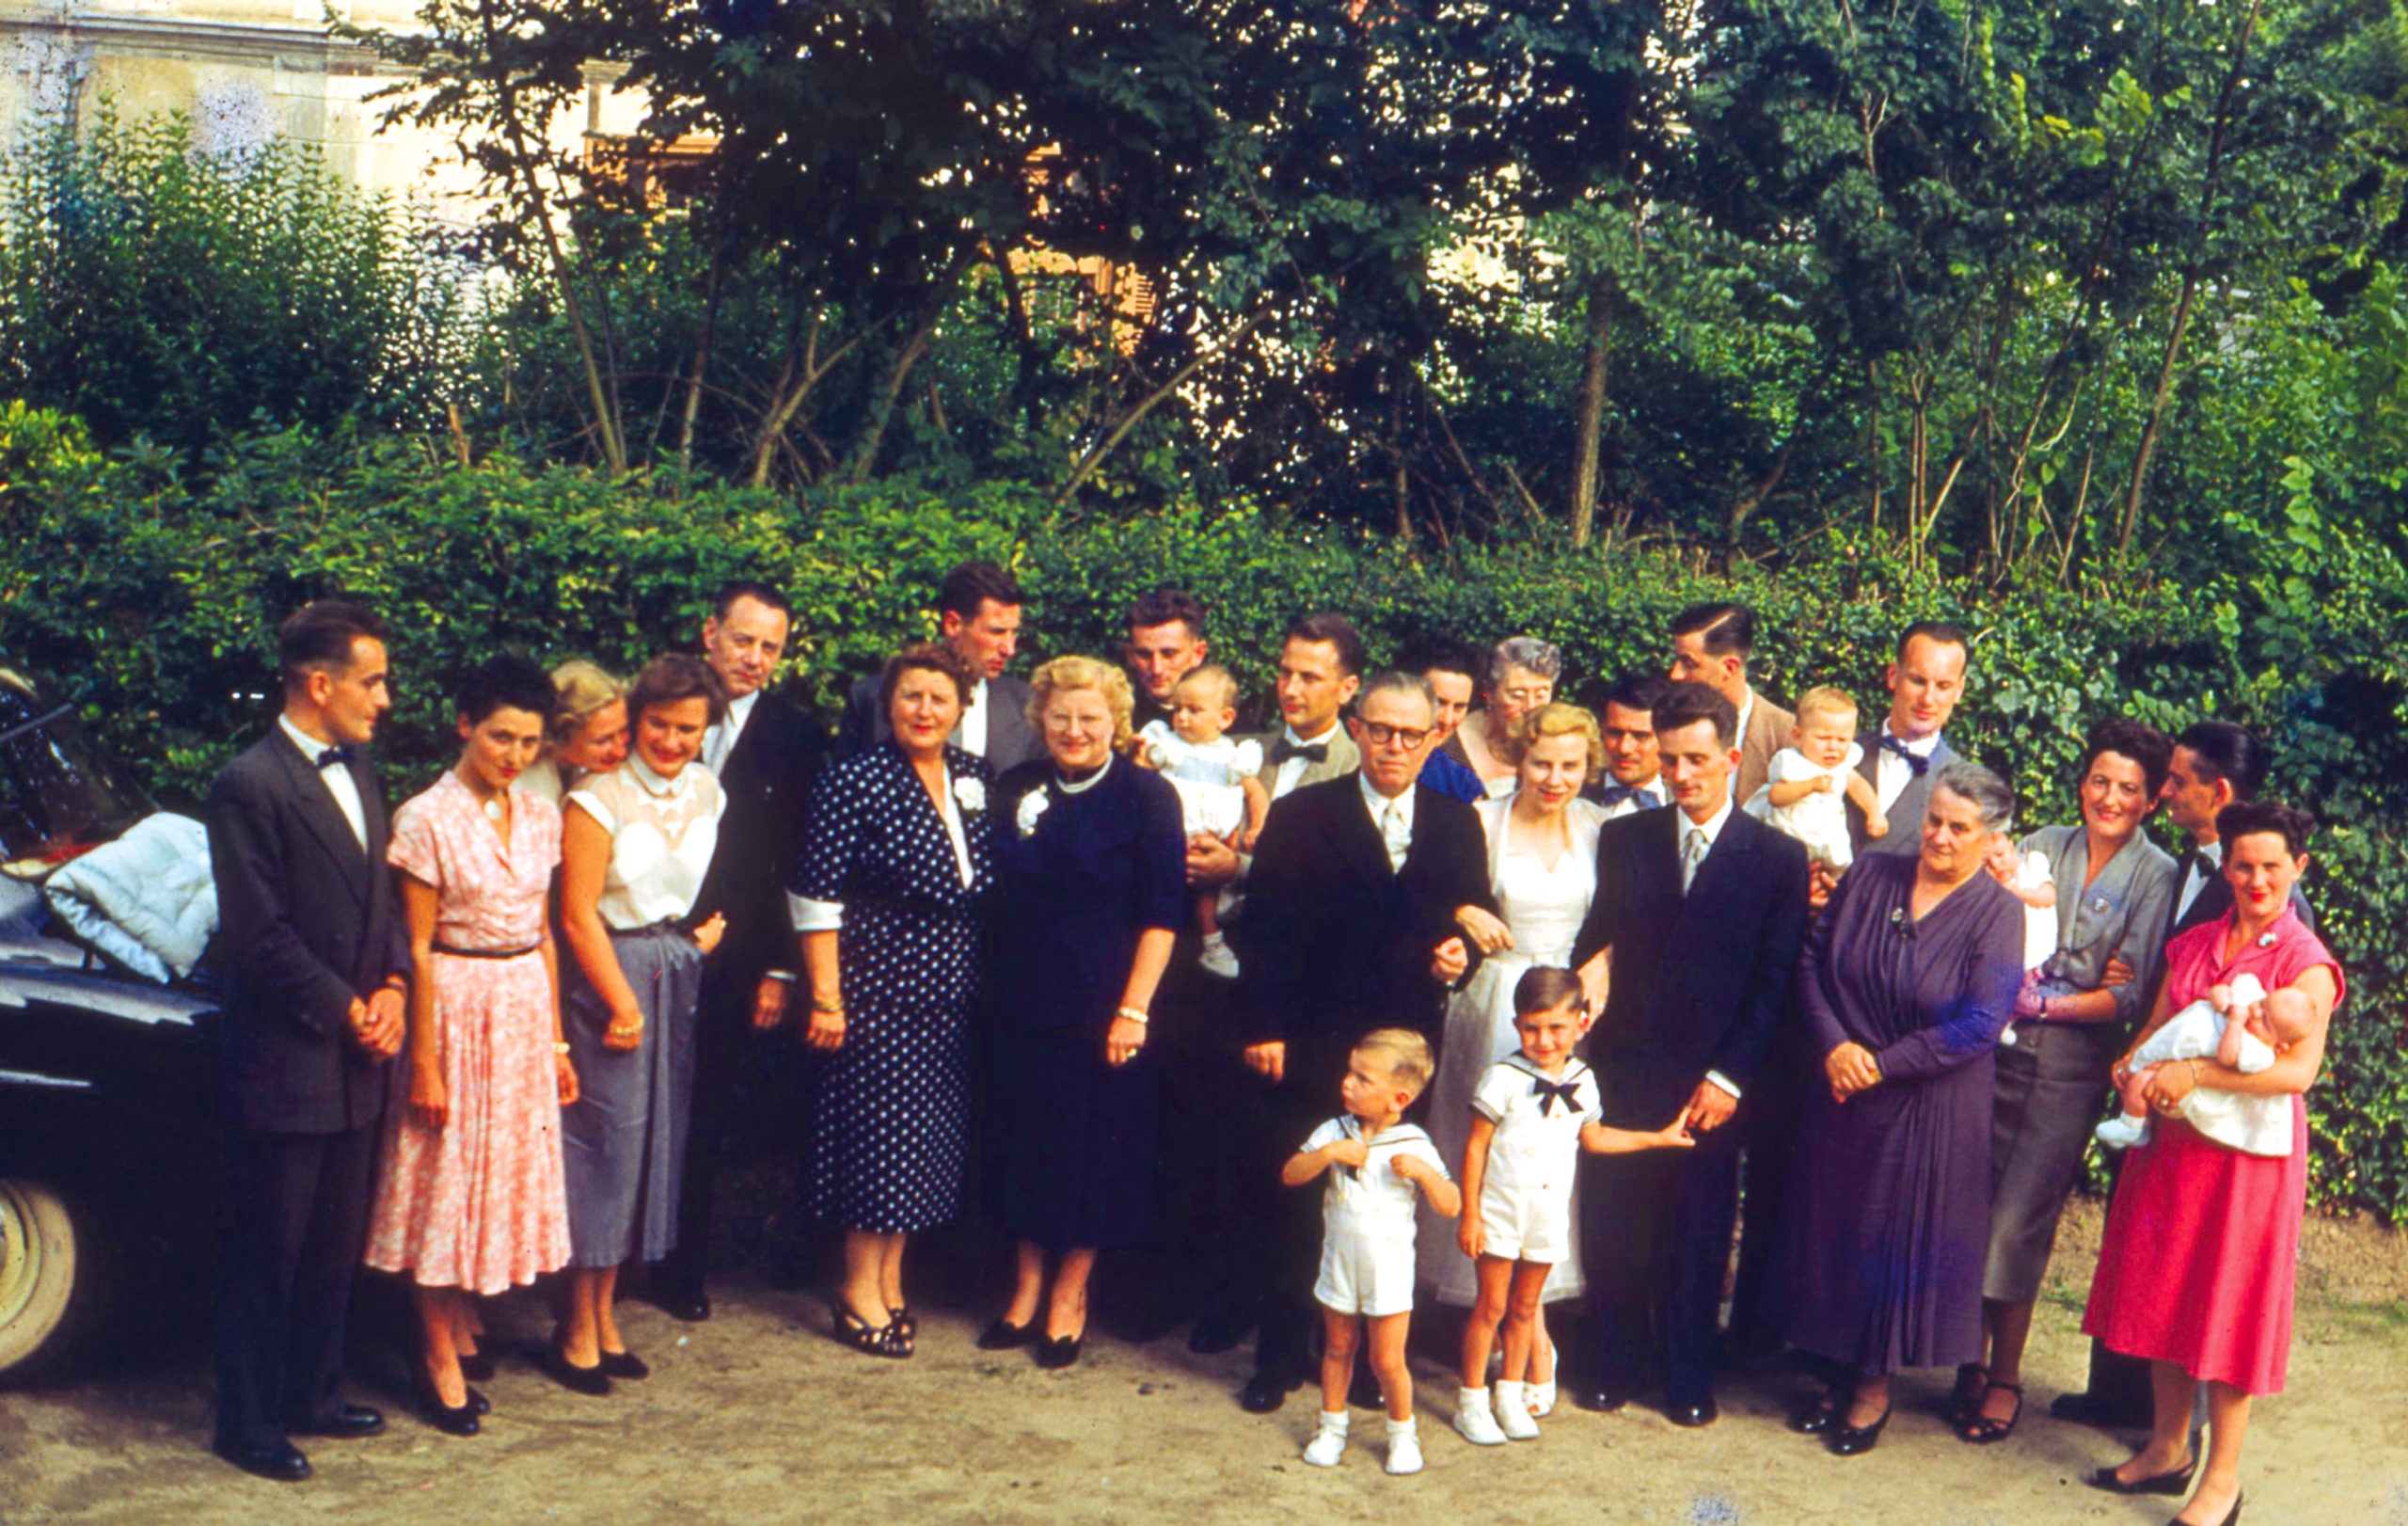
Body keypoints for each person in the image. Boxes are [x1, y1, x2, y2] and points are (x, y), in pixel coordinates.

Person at [1233, 670, 1494, 1413]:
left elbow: (1472, 918)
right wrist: (1264, 1025)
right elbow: (1264, 929)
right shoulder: (1304, 813)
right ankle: (1279, 1357)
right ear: (1357, 729)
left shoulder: (1456, 822)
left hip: (1405, 1045)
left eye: (1412, 734)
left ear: (1435, 737)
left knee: (1385, 1206)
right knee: (1301, 1199)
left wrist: (1462, 957)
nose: (1395, 746)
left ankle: (1371, 1364)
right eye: (1381, 730)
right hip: (1315, 1034)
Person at [2083, 801, 2342, 1526]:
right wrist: (2132, 1066)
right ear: (2225, 867)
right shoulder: (2195, 942)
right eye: (2244, 866)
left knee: (2231, 1309)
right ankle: (2168, 1449)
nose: (2257, 880)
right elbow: (2157, 1026)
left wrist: (2195, 1072)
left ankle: (2222, 1480)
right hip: (2173, 1148)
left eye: (2272, 867)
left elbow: (2297, 1074)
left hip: (2248, 1166)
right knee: (2165, 1291)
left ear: (2298, 867)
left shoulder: (2307, 964)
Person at [1564, 680, 1810, 1428]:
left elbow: (1773, 981)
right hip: (1626, 1062)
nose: (1681, 774)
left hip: (1713, 1073)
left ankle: (1687, 1375)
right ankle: (1615, 1364)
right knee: (1616, 1218)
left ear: (1731, 758)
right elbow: (1598, 940)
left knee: (1697, 1227)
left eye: (1697, 759)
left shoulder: (1776, 856)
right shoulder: (1627, 838)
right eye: (1669, 759)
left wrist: (1729, 1077)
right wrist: (1590, 966)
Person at [2054, 720, 2311, 1429]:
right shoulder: (2182, 868)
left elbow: (2286, 1031)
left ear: (2219, 791)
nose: (2161, 792)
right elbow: (2172, 964)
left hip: (2219, 1114)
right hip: (2156, 1092)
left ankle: (2178, 1430)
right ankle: (2120, 1396)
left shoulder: (2269, 894)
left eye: (2175, 780)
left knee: (2202, 1268)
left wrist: (2194, 1067)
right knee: (2147, 1252)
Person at [203, 598, 406, 1482]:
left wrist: (395, 985)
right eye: (373, 682)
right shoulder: (247, 784)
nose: (385, 699)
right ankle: (245, 1424)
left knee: (332, 1244)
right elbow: (258, 934)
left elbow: (383, 899)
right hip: (287, 1060)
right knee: (267, 1253)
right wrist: (348, 1010)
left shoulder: (360, 766)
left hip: (358, 1062)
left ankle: (314, 1394)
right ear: (320, 685)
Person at [1773, 761, 2025, 1457]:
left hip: (1928, 1101)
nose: (1939, 836)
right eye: (1934, 820)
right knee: (1835, 1230)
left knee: (1893, 1239)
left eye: (1959, 828)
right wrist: (1834, 1046)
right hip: (1842, 1084)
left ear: (1991, 838)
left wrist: (1881, 1065)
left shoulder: (2001, 914)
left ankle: (1873, 1388)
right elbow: (1810, 963)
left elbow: (1980, 1024)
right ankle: (1832, 1366)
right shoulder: (1871, 874)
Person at [364, 656, 574, 1437]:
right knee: (443, 1179)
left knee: (494, 1177)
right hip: (453, 1007)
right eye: (499, 737)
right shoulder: (425, 817)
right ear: (464, 727)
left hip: (522, 1009)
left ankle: (457, 1320)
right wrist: (424, 1061)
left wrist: (557, 1043)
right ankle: (432, 1352)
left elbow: (545, 934)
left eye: (528, 741)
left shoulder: (542, 815)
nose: (514, 755)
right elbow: (416, 949)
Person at [1958, 717, 2177, 1446]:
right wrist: (2071, 983)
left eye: (2129, 789)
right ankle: (1967, 1359)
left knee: (2020, 1217)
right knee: (1972, 1202)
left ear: (2151, 800)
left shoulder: (2157, 874)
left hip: (2071, 1069)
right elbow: (1993, 930)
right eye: (2099, 782)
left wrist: (2051, 1001)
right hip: (1996, 1052)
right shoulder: (2043, 845)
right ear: (2081, 783)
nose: (2110, 798)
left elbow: (2127, 993)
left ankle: (2006, 1376)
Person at [787, 643, 996, 1359]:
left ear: (962, 707)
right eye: (911, 696)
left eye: (940, 698)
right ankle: (857, 1290)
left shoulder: (973, 774)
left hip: (952, 991)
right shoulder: (854, 778)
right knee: (878, 1144)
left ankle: (891, 1280)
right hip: (877, 990)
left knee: (921, 1145)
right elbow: (815, 894)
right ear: (888, 705)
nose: (924, 710)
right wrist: (826, 998)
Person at [1172, 614, 1366, 1360]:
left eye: (1311, 676)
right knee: (1223, 1144)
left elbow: (1330, 877)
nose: (1291, 686)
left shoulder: (1359, 763)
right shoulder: (1241, 749)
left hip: (1300, 986)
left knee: (1295, 1150)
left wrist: (1239, 868)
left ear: (1346, 688)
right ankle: (1226, 1298)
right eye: (1286, 671)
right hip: (1220, 969)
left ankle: (1296, 1321)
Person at [983, 657, 1186, 1368]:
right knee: (1026, 1144)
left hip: (1104, 1006)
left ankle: (1070, 1297)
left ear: (1116, 722)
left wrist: (1134, 1009)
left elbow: (1163, 914)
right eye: (1061, 716)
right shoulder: (1016, 786)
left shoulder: (1148, 795)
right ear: (1040, 719)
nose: (1075, 730)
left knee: (1091, 1154)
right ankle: (1025, 1290)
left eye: (1090, 718)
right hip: (1019, 997)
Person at [1417, 703, 1610, 1411]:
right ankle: (1494, 1319)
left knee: (1551, 1160)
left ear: (1587, 767)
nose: (1554, 779)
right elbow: (1435, 893)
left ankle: (1534, 1326)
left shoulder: (1600, 826)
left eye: (1570, 766)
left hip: (1568, 1010)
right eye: (1541, 764)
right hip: (1497, 1002)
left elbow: (1621, 915)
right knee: (1491, 1151)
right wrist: (1459, 914)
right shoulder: (1482, 819)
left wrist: (1605, 962)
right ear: (1518, 760)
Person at [655, 580, 830, 1322]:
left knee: (706, 1108)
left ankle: (683, 1269)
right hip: (647, 938)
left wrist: (782, 968)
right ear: (710, 634)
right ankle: (622, 1260)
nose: (755, 658)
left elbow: (802, 858)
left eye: (771, 648)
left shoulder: (798, 735)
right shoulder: (657, 710)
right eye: (743, 640)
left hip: (742, 951)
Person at [554, 655, 728, 1393]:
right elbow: (576, 914)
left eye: (689, 728)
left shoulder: (709, 789)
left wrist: (690, 946)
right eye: (658, 723)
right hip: (608, 978)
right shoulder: (598, 795)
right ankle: (574, 1325)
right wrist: (621, 1002)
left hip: (670, 972)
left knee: (652, 1142)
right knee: (605, 1148)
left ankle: (606, 1316)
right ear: (637, 718)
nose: (671, 740)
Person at [1452, 968, 1692, 1447]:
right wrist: (1471, 1215)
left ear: (1581, 1022)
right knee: (1492, 1306)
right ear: (1517, 1025)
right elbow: (1476, 1146)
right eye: (1531, 1028)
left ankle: (1509, 1396)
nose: (1543, 1040)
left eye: (1556, 1028)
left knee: (1525, 1307)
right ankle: (1471, 1401)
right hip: (1501, 1209)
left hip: (1546, 1214)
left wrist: (1658, 1138)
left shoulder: (1584, 1079)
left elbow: (1596, 1139)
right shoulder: (1502, 1078)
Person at [1285, 1029, 1460, 1476]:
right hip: (1340, 1264)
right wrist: (1327, 1154)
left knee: (1387, 1360)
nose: (1347, 1082)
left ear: (1398, 1098)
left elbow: (1451, 1204)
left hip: (1388, 1272)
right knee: (1337, 1348)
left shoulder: (1414, 1143)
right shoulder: (1334, 1131)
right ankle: (1331, 1429)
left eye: (1363, 1078)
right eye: (1350, 1072)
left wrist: (1425, 1174)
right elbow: (1291, 1173)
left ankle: (1403, 1435)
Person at [836, 560, 1041, 771]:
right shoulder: (869, 699)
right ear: (953, 624)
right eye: (997, 632)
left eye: (1014, 633)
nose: (1009, 649)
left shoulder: (1026, 704)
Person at [1135, 664, 1269, 978]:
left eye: (1194, 710)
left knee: (1208, 886)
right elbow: (1142, 778)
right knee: (1165, 889)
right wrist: (1139, 758)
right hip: (1172, 830)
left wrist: (1258, 826)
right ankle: (1166, 941)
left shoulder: (1234, 755)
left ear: (1225, 718)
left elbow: (1255, 792)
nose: (1182, 717)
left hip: (1213, 835)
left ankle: (1213, 940)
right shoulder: (1167, 745)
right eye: (1177, 709)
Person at [2095, 973, 2312, 1156]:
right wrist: (2222, 997)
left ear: (2280, 1045)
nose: (2255, 1012)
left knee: (2140, 1082)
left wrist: (2235, 1023)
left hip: (2183, 1075)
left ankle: (2132, 1124)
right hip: (2172, 1042)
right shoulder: (2250, 997)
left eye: (2265, 1021)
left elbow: (2227, 1057)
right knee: (2135, 1074)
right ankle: (2140, 1121)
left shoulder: (2258, 1053)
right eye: (2263, 1004)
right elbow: (2219, 992)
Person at [1845, 622, 1970, 858]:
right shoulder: (1835, 751)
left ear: (1959, 690)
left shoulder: (1968, 788)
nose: (1928, 699)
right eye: (1918, 681)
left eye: (1943, 686)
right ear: (1893, 676)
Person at [1743, 686, 1887, 868]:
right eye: (1823, 738)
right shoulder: (1791, 762)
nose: (1833, 747)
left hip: (1828, 840)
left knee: (1837, 871)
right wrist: (1809, 786)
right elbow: (1775, 796)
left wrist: (1874, 812)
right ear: (1798, 735)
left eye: (1842, 740)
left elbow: (1858, 786)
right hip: (1791, 837)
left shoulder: (1842, 766)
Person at [1667, 601, 1792, 803]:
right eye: (1676, 661)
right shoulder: (1656, 726)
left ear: (1730, 667)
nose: (1675, 674)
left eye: (1688, 663)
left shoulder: (1788, 736)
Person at [1440, 636, 1560, 796]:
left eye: (1541, 695)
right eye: (1517, 695)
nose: (1530, 707)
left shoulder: (1558, 746)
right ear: (1490, 692)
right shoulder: (1448, 743)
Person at [517, 660, 627, 804]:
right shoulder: (529, 789)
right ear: (561, 738)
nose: (620, 752)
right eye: (602, 741)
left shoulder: (576, 765)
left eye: (623, 731)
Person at [1397, 633, 1486, 804]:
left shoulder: (1463, 786)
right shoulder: (1359, 761)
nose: (1447, 719)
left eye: (1459, 707)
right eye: (1438, 702)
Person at [1122, 585, 1213, 735]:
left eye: (1169, 654)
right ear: (1130, 655)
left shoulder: (1229, 721)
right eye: (1144, 655)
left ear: (1198, 653)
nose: (1156, 669)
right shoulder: (1115, 722)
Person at [1577, 672, 1670, 817]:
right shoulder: (1573, 796)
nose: (1624, 748)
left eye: (1641, 736)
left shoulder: (1687, 802)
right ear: (1601, 731)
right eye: (1615, 733)